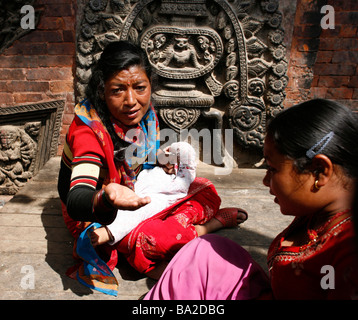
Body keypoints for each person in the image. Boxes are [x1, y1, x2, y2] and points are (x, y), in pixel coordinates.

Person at [57, 40, 248, 280]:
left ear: (150, 86)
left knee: (203, 188)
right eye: (117, 90)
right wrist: (106, 197)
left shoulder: (145, 116)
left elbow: (135, 152)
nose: (131, 101)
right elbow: (76, 198)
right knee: (150, 239)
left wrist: (158, 157)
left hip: (137, 190)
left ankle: (169, 231)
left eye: (139, 87)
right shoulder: (88, 130)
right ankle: (204, 229)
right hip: (96, 213)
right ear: (101, 91)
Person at [144, 98, 358, 299]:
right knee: (206, 251)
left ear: (319, 172)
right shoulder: (319, 213)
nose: (265, 181)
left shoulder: (348, 253)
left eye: (272, 169)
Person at [91, 141, 197, 246]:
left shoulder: (178, 182)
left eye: (169, 156)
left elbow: (177, 187)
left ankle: (109, 232)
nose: (164, 155)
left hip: (153, 200)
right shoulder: (155, 168)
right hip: (134, 193)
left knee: (142, 209)